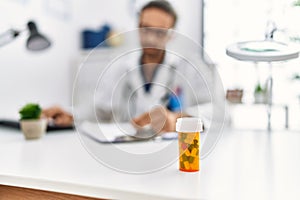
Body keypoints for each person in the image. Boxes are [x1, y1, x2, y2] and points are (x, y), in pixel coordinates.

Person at [43, 0, 215, 133]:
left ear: (171, 35)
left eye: (159, 32)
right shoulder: (120, 67)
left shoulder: (188, 67)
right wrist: (71, 115)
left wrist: (177, 119)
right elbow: (100, 112)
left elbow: (217, 112)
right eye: (145, 29)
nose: (150, 38)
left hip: (172, 155)